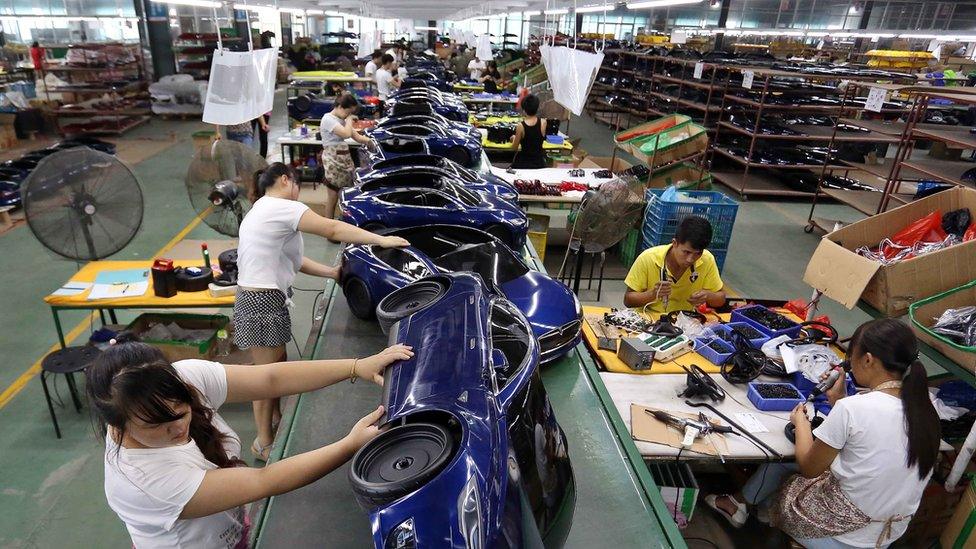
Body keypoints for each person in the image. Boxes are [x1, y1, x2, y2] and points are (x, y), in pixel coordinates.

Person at [89, 334, 414, 548]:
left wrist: (357, 365)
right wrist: (349, 444)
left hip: (224, 529)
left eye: (180, 411)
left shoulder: (182, 379)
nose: (178, 428)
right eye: (157, 425)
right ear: (118, 426)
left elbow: (270, 378)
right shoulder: (143, 481)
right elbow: (264, 480)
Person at [705, 319, 940, 548]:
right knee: (795, 466)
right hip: (886, 534)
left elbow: (809, 467)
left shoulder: (855, 408)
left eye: (851, 358)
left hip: (845, 537)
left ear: (868, 360)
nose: (849, 365)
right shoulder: (926, 411)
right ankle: (747, 506)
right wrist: (839, 401)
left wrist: (802, 423)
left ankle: (762, 512)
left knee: (787, 468)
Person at [234, 162, 409, 461]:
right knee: (265, 377)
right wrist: (381, 239)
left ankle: (274, 423)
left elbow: (295, 262)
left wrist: (332, 272)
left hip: (263, 299)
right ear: (287, 180)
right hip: (260, 302)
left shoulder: (263, 208)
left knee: (278, 363)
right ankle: (262, 443)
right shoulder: (281, 207)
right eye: (298, 186)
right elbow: (331, 227)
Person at [623, 216, 726, 313]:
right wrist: (652, 294)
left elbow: (721, 299)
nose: (690, 259)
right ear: (674, 243)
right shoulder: (648, 258)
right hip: (649, 318)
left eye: (698, 253)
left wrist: (708, 296)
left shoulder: (707, 259)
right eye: (686, 252)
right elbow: (628, 300)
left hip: (684, 320)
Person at [320, 92, 371, 218]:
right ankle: (329, 229)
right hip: (333, 162)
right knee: (332, 197)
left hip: (344, 161)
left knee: (347, 195)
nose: (349, 116)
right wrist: (349, 120)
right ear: (340, 107)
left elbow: (357, 137)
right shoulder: (328, 119)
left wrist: (371, 141)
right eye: (348, 112)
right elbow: (346, 134)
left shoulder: (341, 120)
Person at [510, 93, 548, 169]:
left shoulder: (521, 126)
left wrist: (514, 138)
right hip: (539, 162)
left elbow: (514, 148)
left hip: (524, 163)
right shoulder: (543, 122)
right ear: (537, 108)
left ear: (524, 110)